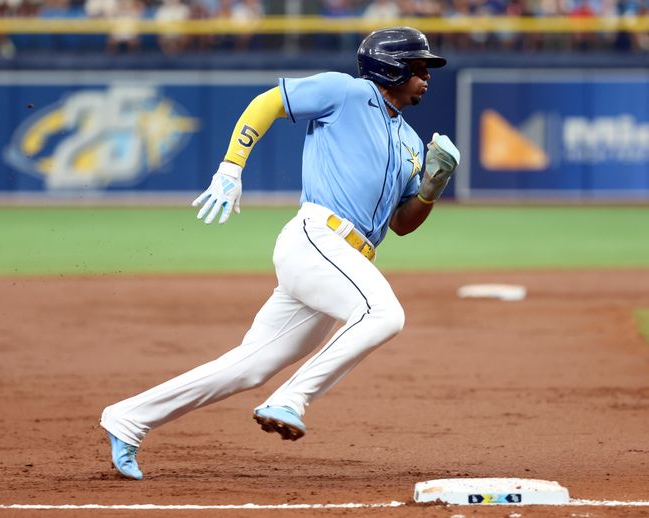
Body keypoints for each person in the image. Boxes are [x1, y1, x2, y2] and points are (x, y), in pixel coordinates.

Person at [99, 26, 460, 480]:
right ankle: (291, 399)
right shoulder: (345, 92)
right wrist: (232, 165)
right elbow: (269, 103)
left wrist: (431, 185)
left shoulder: (410, 140)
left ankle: (129, 418)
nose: (427, 75)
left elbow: (402, 224)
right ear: (391, 66)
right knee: (384, 314)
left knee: (250, 366)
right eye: (419, 66)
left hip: (345, 260)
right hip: (318, 239)